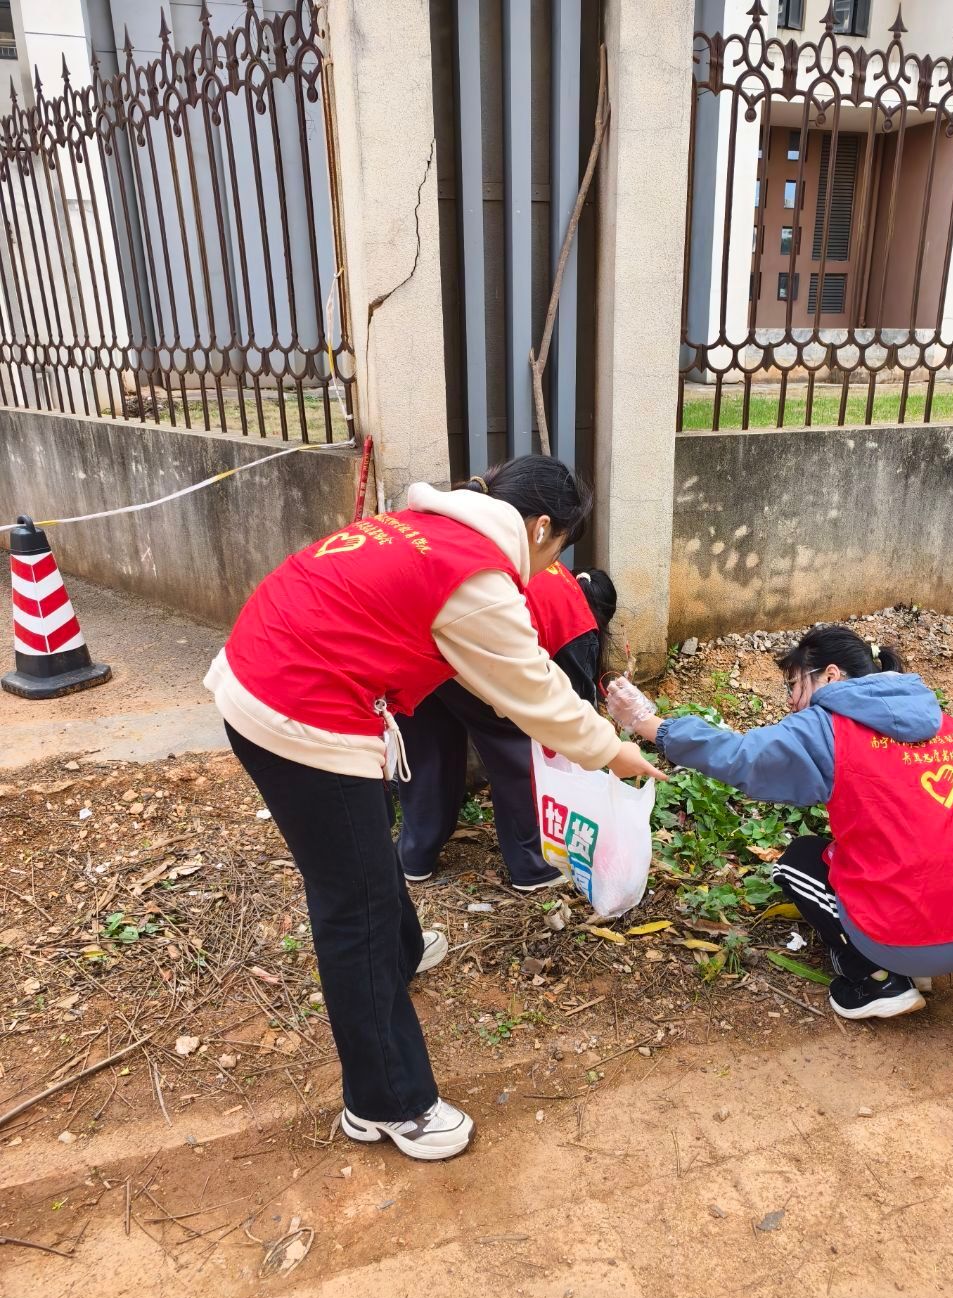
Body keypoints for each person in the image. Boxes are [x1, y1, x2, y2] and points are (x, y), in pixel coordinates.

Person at [205, 457, 662, 1160]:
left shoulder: (428, 524)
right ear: (542, 528)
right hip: (299, 713)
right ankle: (385, 1103)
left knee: (362, 865)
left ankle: (404, 952)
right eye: (557, 551)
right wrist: (614, 752)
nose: (550, 568)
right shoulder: (477, 577)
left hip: (268, 671)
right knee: (350, 908)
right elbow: (533, 693)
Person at [607, 625, 953, 1022]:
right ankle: (914, 954)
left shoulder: (828, 728)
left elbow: (742, 757)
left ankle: (876, 979)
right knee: (886, 850)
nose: (791, 700)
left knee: (799, 861)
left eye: (794, 684)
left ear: (830, 675)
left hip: (907, 935)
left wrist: (647, 723)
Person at [396, 561, 617, 890]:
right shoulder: (578, 624)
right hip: (473, 642)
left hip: (415, 634)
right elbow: (569, 714)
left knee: (429, 746)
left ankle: (413, 857)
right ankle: (533, 865)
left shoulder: (551, 574)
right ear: (600, 615)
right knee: (516, 742)